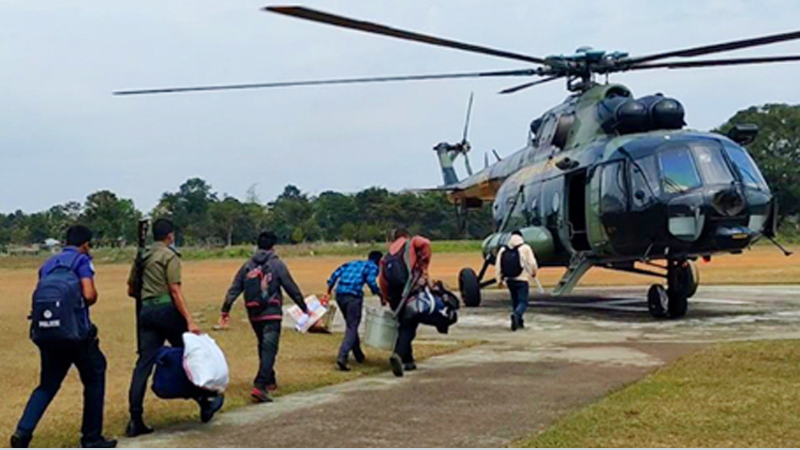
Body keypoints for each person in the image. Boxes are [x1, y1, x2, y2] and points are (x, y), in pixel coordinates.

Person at [11, 226, 116, 448]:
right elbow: (89, 294)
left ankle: (23, 432)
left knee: (47, 384)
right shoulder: (81, 261)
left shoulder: (48, 265)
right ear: (85, 244)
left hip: (49, 332)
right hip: (77, 334)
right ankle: (91, 437)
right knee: (95, 376)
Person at [125, 219, 223, 437]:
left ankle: (135, 417)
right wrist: (190, 320)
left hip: (146, 312)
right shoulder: (169, 256)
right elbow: (175, 290)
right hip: (166, 309)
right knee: (191, 355)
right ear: (170, 236)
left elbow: (132, 290)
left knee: (143, 364)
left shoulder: (142, 256)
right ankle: (204, 399)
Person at [217, 230, 309, 403]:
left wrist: (225, 309)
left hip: (254, 313)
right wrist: (304, 307)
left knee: (264, 346)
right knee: (269, 349)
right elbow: (290, 286)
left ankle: (270, 379)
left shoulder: (247, 265)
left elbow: (235, 288)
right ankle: (260, 385)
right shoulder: (277, 264)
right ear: (273, 247)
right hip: (271, 312)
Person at [378, 228, 432, 377]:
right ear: (406, 235)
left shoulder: (387, 256)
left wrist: (385, 297)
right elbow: (426, 243)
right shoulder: (411, 243)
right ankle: (398, 354)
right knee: (409, 326)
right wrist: (425, 263)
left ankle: (409, 361)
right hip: (409, 291)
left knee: (402, 324)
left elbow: (382, 279)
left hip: (395, 297)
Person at [326, 251, 383, 371]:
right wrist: (380, 295)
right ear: (379, 261)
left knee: (351, 325)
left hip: (340, 295)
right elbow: (372, 282)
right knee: (352, 326)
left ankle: (359, 355)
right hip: (353, 297)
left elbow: (335, 274)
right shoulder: (372, 267)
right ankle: (342, 356)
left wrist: (328, 291)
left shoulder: (352, 263)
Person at [496, 230, 538, 331]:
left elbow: (498, 266)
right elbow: (532, 263)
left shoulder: (503, 249)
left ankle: (518, 321)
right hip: (522, 279)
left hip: (509, 279)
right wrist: (534, 272)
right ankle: (517, 315)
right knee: (523, 301)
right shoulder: (525, 248)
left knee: (515, 300)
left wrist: (499, 280)